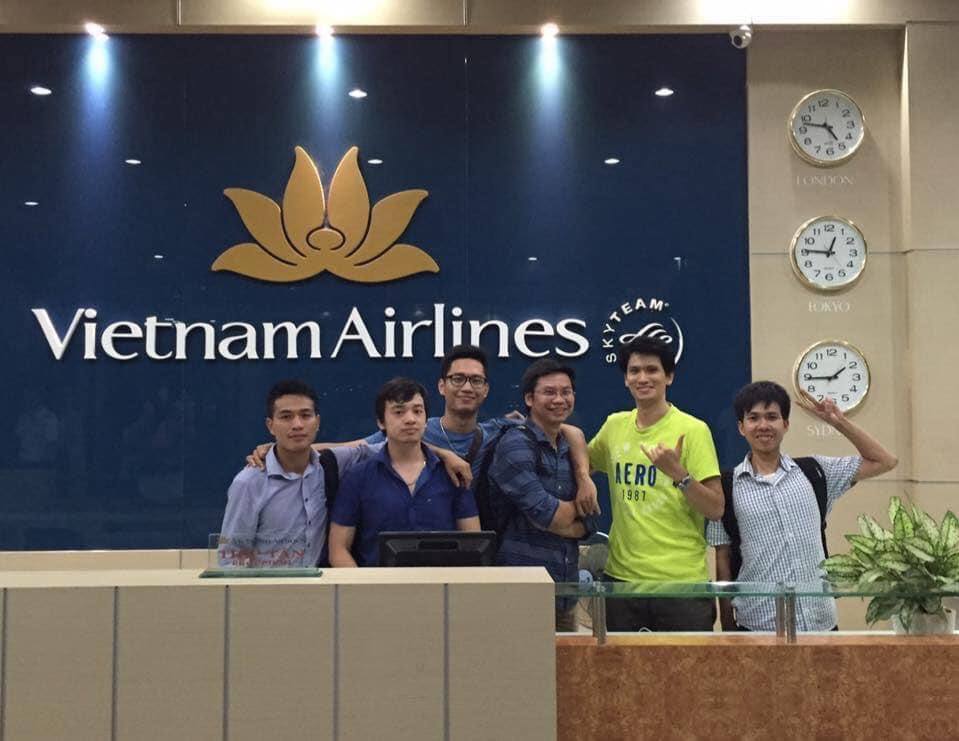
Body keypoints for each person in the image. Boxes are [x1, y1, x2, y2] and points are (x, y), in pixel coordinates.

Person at [248, 344, 600, 516]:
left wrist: (584, 477)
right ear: (442, 386)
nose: (467, 387)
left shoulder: (500, 430)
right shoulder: (413, 428)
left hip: (481, 546)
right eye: (458, 379)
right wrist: (281, 448)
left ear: (486, 390)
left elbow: (569, 432)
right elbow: (351, 448)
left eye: (476, 380)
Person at [708, 381, 898, 632]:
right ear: (741, 427)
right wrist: (727, 625)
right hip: (757, 625)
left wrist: (839, 422)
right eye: (753, 418)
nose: (763, 425)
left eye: (772, 417)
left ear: (785, 424)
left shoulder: (815, 472)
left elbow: (885, 461)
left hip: (821, 624)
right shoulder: (727, 486)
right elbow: (723, 556)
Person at [588, 336, 724, 631]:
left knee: (686, 664)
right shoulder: (614, 426)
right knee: (619, 664)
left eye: (652, 370)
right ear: (625, 379)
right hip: (622, 581)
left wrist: (679, 474)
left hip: (681, 585)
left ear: (669, 376)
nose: (643, 378)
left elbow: (715, 509)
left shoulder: (693, 430)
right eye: (634, 371)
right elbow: (582, 464)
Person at [218, 379, 379, 568]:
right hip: (267, 586)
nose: (297, 424)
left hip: (320, 585)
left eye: (305, 415)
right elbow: (231, 558)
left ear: (317, 422)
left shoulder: (331, 465)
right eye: (286, 417)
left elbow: (389, 446)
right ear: (270, 425)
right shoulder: (249, 482)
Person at [488, 358, 596, 631]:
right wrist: (576, 512)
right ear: (529, 398)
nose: (559, 399)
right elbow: (551, 515)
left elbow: (591, 519)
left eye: (566, 392)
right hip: (521, 592)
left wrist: (583, 484)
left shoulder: (568, 446)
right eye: (549, 392)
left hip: (565, 591)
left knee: (567, 660)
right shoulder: (514, 445)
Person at [328, 377, 480, 567]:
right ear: (381, 422)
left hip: (442, 583)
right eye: (399, 412)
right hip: (378, 583)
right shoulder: (358, 477)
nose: (410, 419)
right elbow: (338, 550)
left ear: (426, 420)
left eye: (417, 411)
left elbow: (475, 546)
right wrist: (363, 585)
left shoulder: (452, 475)